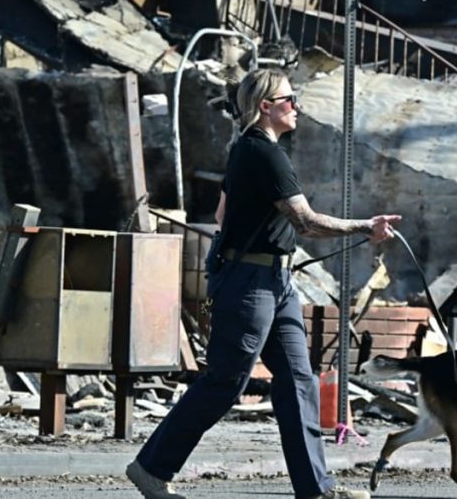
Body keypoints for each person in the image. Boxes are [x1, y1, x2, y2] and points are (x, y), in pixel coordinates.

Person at [126, 68, 401, 499]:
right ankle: (150, 468)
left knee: (298, 381)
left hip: (274, 281)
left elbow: (222, 216)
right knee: (225, 381)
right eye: (290, 100)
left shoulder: (245, 150)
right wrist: (366, 226)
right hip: (251, 285)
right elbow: (306, 221)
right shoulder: (264, 153)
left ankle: (316, 489)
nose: (297, 106)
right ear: (266, 107)